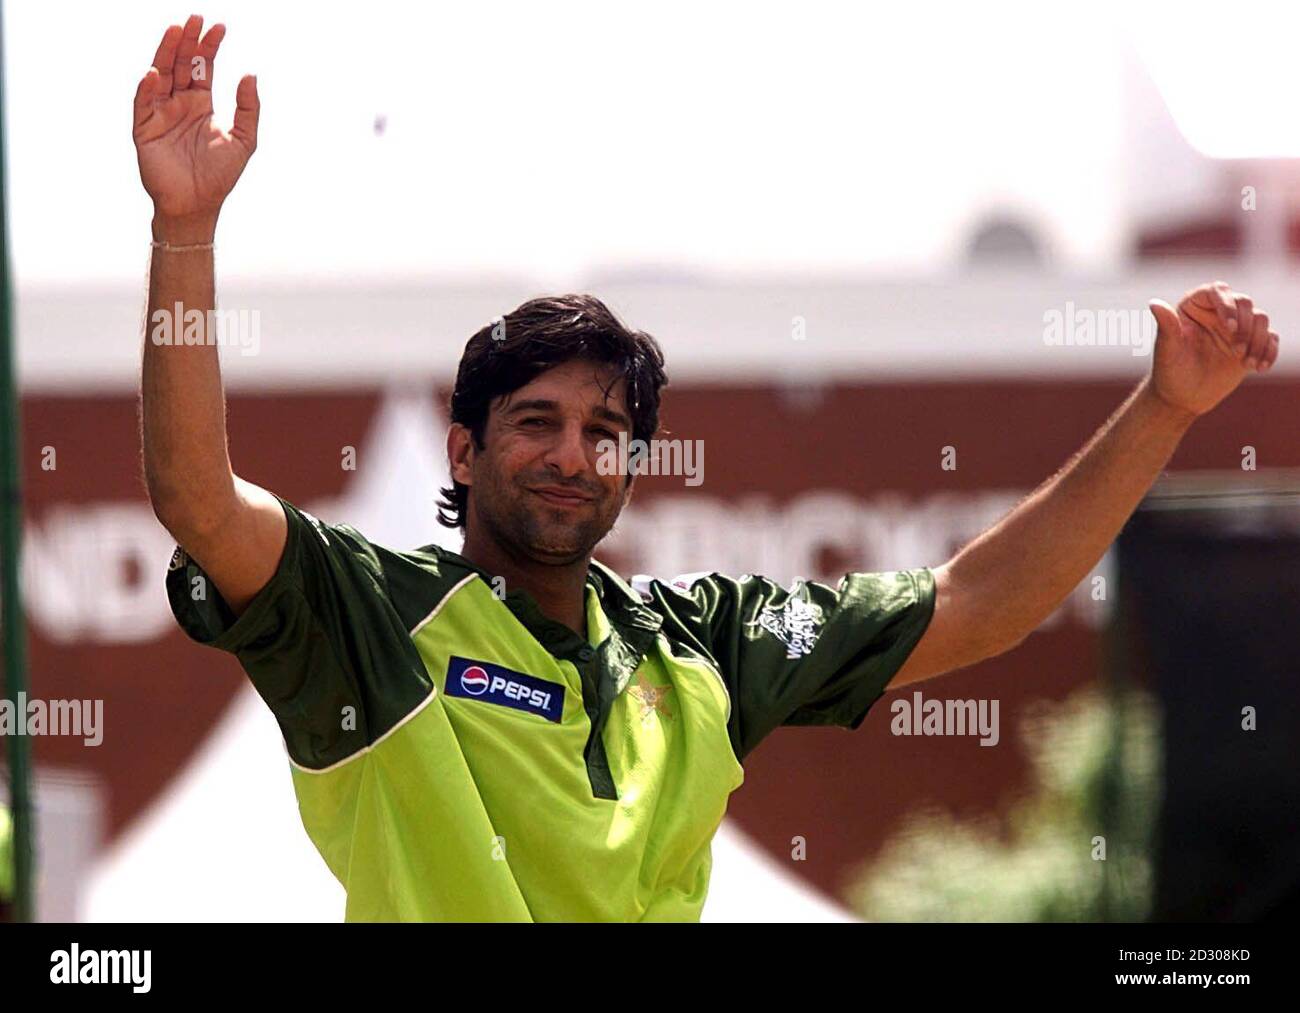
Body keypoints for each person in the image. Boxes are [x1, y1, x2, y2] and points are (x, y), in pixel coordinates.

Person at [134, 16, 1281, 921]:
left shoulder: (702, 644)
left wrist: (1162, 406)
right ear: (463, 449)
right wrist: (184, 235)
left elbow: (978, 605)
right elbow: (197, 496)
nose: (573, 454)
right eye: (535, 422)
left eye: (606, 429)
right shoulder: (367, 612)